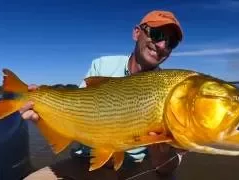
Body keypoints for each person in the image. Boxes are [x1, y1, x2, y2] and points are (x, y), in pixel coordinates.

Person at [22, 9, 185, 180]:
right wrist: (45, 113)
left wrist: (162, 153)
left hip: (136, 167)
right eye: (157, 34)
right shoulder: (101, 65)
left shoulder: (171, 91)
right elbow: (75, 111)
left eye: (171, 42)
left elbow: (166, 170)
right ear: (137, 33)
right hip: (86, 161)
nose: (162, 45)